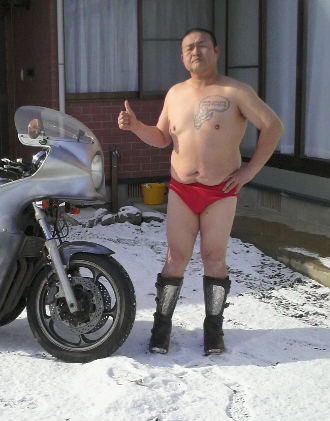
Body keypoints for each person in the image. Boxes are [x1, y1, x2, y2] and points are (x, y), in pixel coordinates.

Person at [118, 27, 283, 355]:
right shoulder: (175, 94)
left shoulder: (236, 91)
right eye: (189, 48)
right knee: (175, 258)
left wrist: (249, 171)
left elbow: (273, 126)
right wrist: (136, 126)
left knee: (213, 257)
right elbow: (162, 137)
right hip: (182, 189)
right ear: (182, 57)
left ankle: (214, 328)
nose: (196, 51)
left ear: (216, 51)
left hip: (220, 192)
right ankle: (161, 326)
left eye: (202, 45)